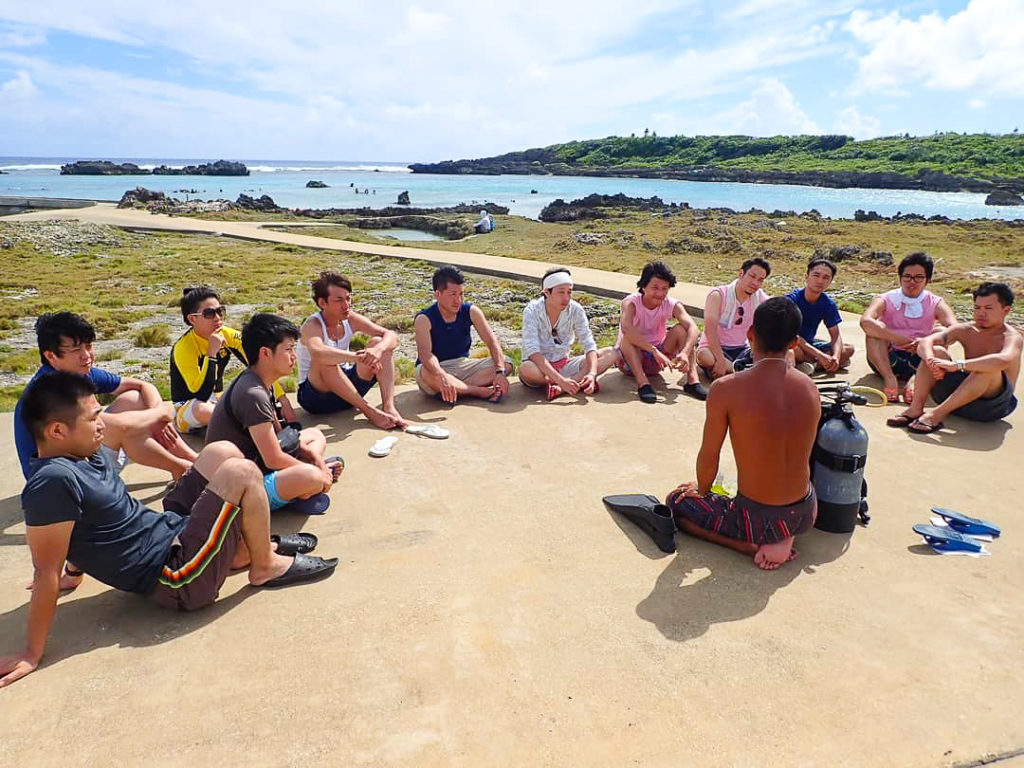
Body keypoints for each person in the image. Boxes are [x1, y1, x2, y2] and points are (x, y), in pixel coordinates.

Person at [0, 372, 337, 687]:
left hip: (173, 530)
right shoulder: (52, 482)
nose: (102, 424)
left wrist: (74, 574)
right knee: (242, 472)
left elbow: (83, 527)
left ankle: (247, 549)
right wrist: (31, 653)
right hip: (177, 576)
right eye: (92, 419)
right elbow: (46, 569)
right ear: (58, 431)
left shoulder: (83, 450)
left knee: (222, 452)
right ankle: (264, 564)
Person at [667, 297, 820, 570]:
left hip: (759, 518)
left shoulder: (726, 388)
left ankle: (750, 546)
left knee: (677, 503)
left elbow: (709, 455)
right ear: (795, 342)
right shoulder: (809, 387)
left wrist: (701, 490)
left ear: (750, 334)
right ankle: (787, 532)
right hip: (806, 510)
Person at [14, 311, 197, 481]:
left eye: (89, 346)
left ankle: (190, 459)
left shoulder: (79, 372)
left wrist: (155, 412)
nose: (86, 356)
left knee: (134, 398)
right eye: (76, 350)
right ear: (51, 355)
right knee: (126, 429)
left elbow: (142, 385)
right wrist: (159, 415)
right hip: (64, 478)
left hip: (79, 455)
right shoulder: (50, 392)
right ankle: (182, 468)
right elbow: (120, 426)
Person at [206, 313, 342, 513]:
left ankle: (303, 486)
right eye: (288, 349)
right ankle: (300, 492)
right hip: (238, 490)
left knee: (315, 436)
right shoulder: (252, 394)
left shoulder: (260, 382)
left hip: (258, 462)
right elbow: (273, 459)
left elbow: (279, 439)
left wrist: (315, 459)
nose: (294, 356)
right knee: (310, 477)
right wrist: (316, 471)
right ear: (265, 353)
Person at [886, 282, 1021, 433]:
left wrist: (958, 365)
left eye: (988, 308)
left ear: (1006, 310)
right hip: (960, 397)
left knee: (989, 369)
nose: (981, 313)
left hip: (991, 407)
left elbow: (1003, 360)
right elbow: (926, 341)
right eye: (977, 308)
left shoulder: (1012, 337)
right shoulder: (966, 329)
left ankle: (935, 415)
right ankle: (915, 409)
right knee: (936, 351)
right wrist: (931, 361)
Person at [170, 286, 296, 433]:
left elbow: (260, 366)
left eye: (220, 311)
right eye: (209, 314)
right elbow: (200, 394)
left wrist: (283, 400)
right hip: (188, 406)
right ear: (192, 319)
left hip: (217, 400)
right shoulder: (184, 348)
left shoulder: (228, 335)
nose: (217, 318)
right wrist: (212, 353)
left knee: (250, 392)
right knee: (202, 409)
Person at [297, 271, 406, 429]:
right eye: (339, 300)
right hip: (316, 398)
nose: (346, 305)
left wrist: (378, 351)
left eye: (348, 298)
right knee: (324, 361)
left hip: (347, 393)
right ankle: (369, 411)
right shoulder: (312, 325)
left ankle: (388, 407)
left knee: (378, 342)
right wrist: (357, 357)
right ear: (322, 303)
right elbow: (319, 353)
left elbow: (391, 336)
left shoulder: (350, 319)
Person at [860, 252, 956, 403]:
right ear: (900, 277)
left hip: (922, 359)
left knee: (941, 334)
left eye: (919, 277)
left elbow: (955, 330)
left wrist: (924, 343)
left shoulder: (935, 302)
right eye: (907, 276)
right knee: (874, 330)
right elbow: (865, 321)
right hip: (888, 358)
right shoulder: (886, 298)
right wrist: (898, 339)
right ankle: (890, 379)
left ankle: (915, 381)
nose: (912, 282)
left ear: (927, 280)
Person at [415, 265, 513, 403]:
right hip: (436, 368)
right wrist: (441, 375)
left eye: (461, 294)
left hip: (463, 366)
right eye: (452, 295)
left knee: (506, 362)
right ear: (438, 294)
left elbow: (492, 342)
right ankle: (475, 391)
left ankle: (457, 389)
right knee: (422, 371)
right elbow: (426, 355)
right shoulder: (424, 319)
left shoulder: (471, 311)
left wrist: (499, 372)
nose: (458, 300)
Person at [616, 260, 707, 403]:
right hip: (632, 360)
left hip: (657, 361)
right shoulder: (631, 303)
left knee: (681, 330)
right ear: (644, 286)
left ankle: (692, 381)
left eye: (665, 288)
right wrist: (654, 351)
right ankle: (643, 383)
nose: (660, 293)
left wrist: (684, 352)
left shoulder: (671, 304)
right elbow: (626, 328)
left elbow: (693, 328)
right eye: (655, 288)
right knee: (627, 339)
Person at [518, 267, 616, 400]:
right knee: (526, 369)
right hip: (541, 370)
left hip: (565, 365)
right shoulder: (532, 310)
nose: (566, 298)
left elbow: (588, 343)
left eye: (569, 292)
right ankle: (570, 384)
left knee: (611, 353)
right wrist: (560, 379)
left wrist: (592, 373)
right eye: (561, 292)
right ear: (547, 292)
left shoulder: (575, 309)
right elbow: (532, 351)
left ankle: (564, 387)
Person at [695, 258, 771, 380]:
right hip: (714, 347)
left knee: (768, 357)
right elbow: (710, 331)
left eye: (760, 280)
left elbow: (776, 312)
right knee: (706, 357)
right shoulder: (718, 295)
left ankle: (730, 370)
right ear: (741, 274)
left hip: (742, 348)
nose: (755, 283)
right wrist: (720, 360)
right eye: (752, 276)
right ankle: (739, 370)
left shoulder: (760, 298)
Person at [786, 259, 855, 375]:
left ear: (831, 281)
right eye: (816, 275)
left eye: (826, 278)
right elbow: (792, 336)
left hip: (810, 344)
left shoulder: (828, 303)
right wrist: (820, 355)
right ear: (806, 276)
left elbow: (835, 335)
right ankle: (818, 363)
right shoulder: (791, 301)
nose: (820, 281)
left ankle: (815, 365)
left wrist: (836, 357)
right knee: (792, 350)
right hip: (793, 343)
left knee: (849, 349)